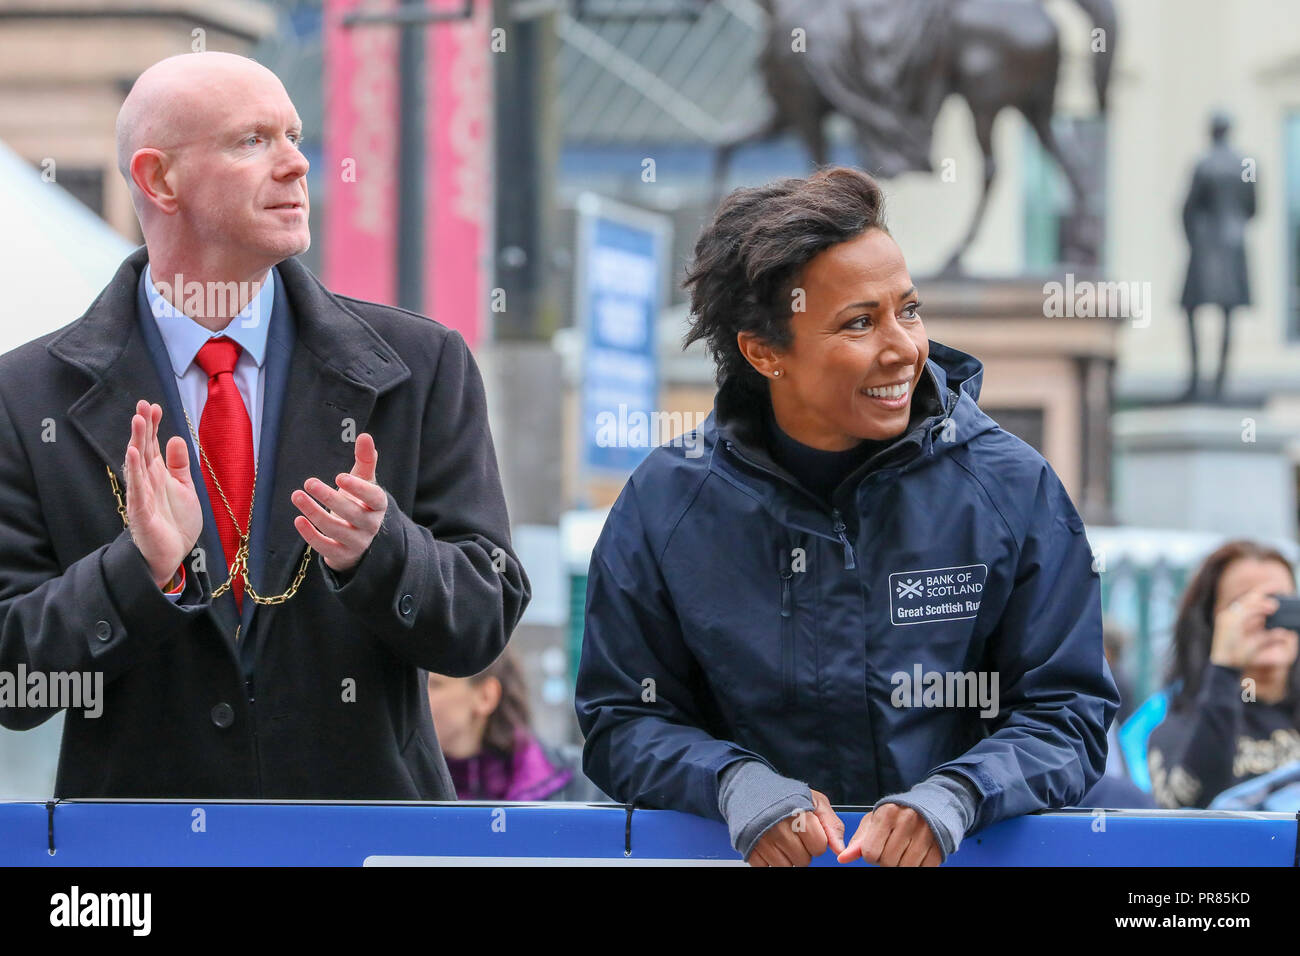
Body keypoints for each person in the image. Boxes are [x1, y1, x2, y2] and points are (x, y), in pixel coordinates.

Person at [0, 52, 530, 799]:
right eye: (252, 141)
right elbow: (13, 684)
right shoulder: (24, 396)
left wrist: (381, 553)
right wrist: (138, 572)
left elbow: (482, 620)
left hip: (367, 843)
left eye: (294, 134)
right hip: (142, 859)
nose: (297, 165)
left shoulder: (420, 363)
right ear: (159, 179)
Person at [575, 166, 1118, 866]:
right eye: (859, 322)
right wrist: (732, 785)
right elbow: (621, 721)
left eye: (909, 309)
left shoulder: (1012, 486)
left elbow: (1069, 716)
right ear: (763, 351)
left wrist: (959, 795)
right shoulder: (665, 502)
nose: (903, 348)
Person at [1148, 540, 1300, 809]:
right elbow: (1191, 810)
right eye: (1244, 606)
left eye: (1281, 602)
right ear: (1210, 622)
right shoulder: (1177, 729)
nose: (1267, 617)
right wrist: (1226, 667)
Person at [428, 651, 604, 801]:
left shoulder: (580, 783)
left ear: (486, 696)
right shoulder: (408, 784)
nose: (416, 698)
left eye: (434, 685)